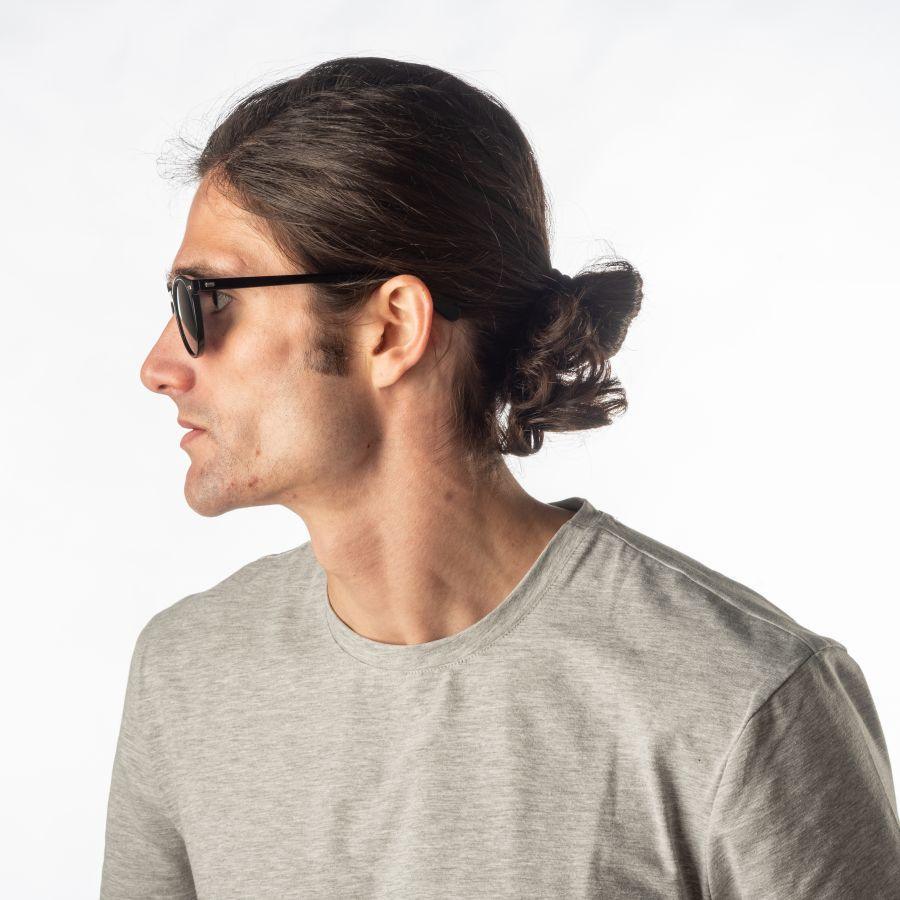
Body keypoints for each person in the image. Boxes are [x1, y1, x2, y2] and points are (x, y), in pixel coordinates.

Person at [101, 56, 899, 898]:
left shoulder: (744, 698)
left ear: (392, 328)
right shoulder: (184, 675)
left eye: (208, 300)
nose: (159, 366)